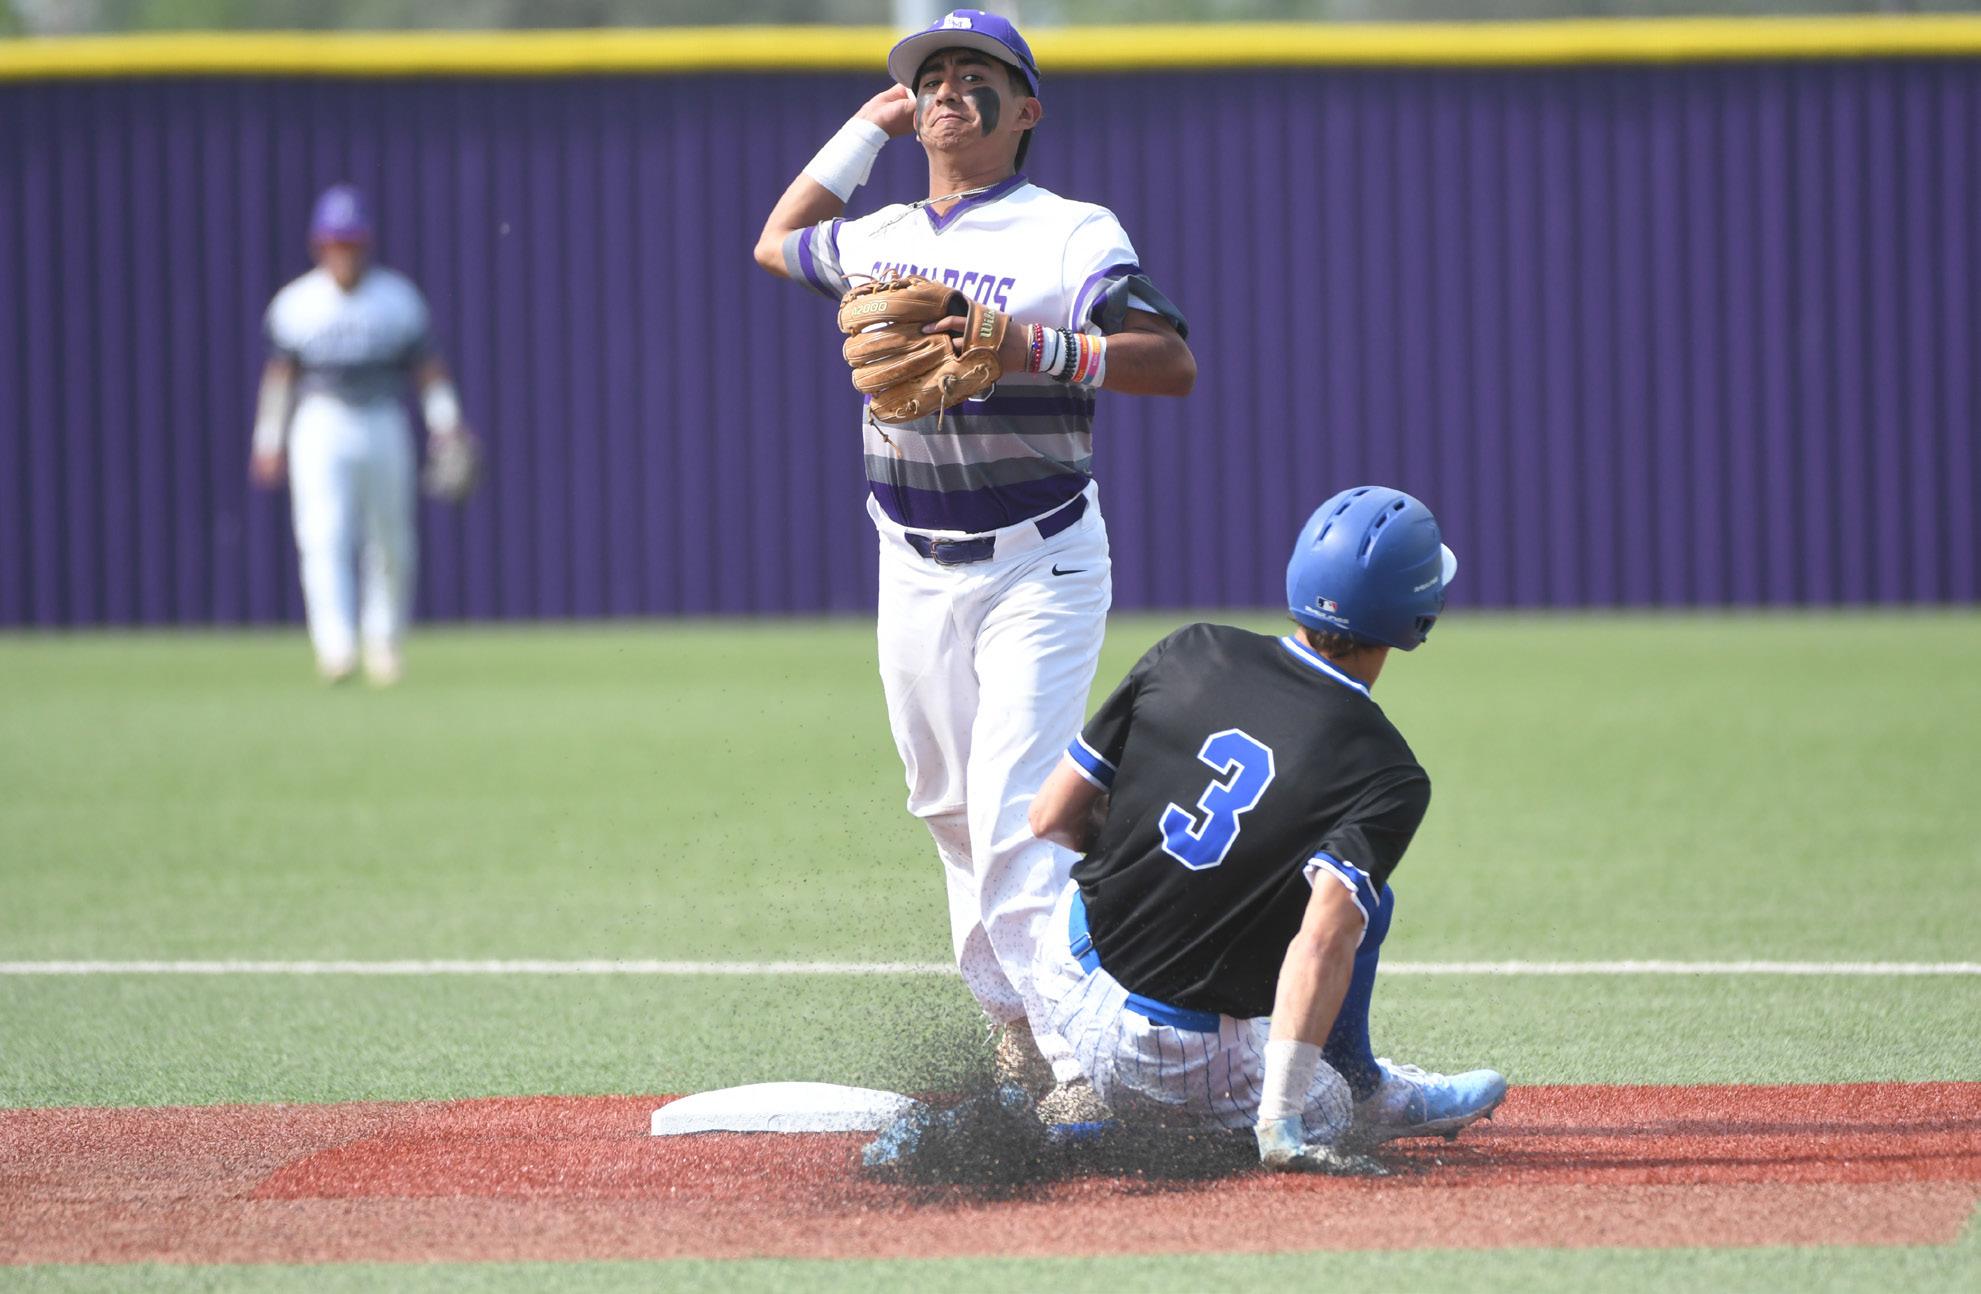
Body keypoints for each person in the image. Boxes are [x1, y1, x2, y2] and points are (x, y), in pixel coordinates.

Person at [752, 9, 1196, 1108]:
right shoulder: (881, 231)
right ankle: (1017, 1026)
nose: (948, 89)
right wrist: (865, 124)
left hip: (1034, 560)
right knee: (944, 804)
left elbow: (1170, 361)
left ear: (1026, 109)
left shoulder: (1067, 230)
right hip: (908, 558)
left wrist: (1031, 343)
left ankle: (1084, 1060)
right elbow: (776, 239)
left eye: (976, 74)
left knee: (1010, 814)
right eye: (931, 75)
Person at [1025, 486, 1507, 1172]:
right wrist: (1280, 1121)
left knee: (1345, 893)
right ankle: (1357, 1092)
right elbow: (1323, 937)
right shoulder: (1387, 771)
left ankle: (1057, 1103)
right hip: (1173, 1059)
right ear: (1418, 618)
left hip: (1066, 972)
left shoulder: (1188, 649)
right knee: (1329, 1094)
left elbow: (1051, 816)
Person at [249, 184, 472, 686]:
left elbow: (428, 370)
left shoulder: (395, 298)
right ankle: (336, 647)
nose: (343, 252)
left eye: (351, 242)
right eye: (334, 242)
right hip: (321, 420)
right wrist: (268, 440)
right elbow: (280, 376)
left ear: (365, 244)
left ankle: (384, 642)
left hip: (381, 417)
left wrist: (446, 423)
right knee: (323, 534)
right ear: (319, 246)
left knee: (390, 537)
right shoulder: (298, 303)